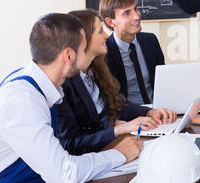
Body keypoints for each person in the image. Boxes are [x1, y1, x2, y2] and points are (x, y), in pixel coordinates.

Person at [0, 13, 141, 183]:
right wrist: (120, 153)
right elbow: (63, 174)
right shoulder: (22, 102)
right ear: (69, 55)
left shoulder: (42, 83)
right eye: (83, 48)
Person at [55, 9, 177, 155]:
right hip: (92, 159)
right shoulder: (62, 84)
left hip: (109, 146)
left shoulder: (95, 69)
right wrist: (117, 130)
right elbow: (70, 144)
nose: (107, 35)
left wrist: (149, 112)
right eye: (100, 32)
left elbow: (116, 105)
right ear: (84, 39)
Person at [99, 0, 165, 106]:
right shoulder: (104, 52)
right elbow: (111, 100)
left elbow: (164, 81)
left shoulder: (150, 41)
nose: (137, 16)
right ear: (110, 22)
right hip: (128, 116)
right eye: (127, 13)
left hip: (159, 109)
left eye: (135, 9)